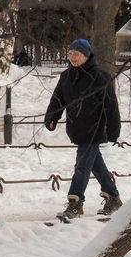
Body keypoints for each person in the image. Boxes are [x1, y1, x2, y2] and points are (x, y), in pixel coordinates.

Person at [44, 39, 123, 220]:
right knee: (95, 165)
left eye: (76, 54)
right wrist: (52, 118)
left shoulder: (100, 76)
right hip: (76, 127)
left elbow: (111, 105)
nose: (73, 57)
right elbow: (57, 99)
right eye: (70, 54)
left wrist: (113, 130)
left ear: (86, 56)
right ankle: (113, 197)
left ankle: (75, 202)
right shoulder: (66, 76)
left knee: (82, 166)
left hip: (95, 128)